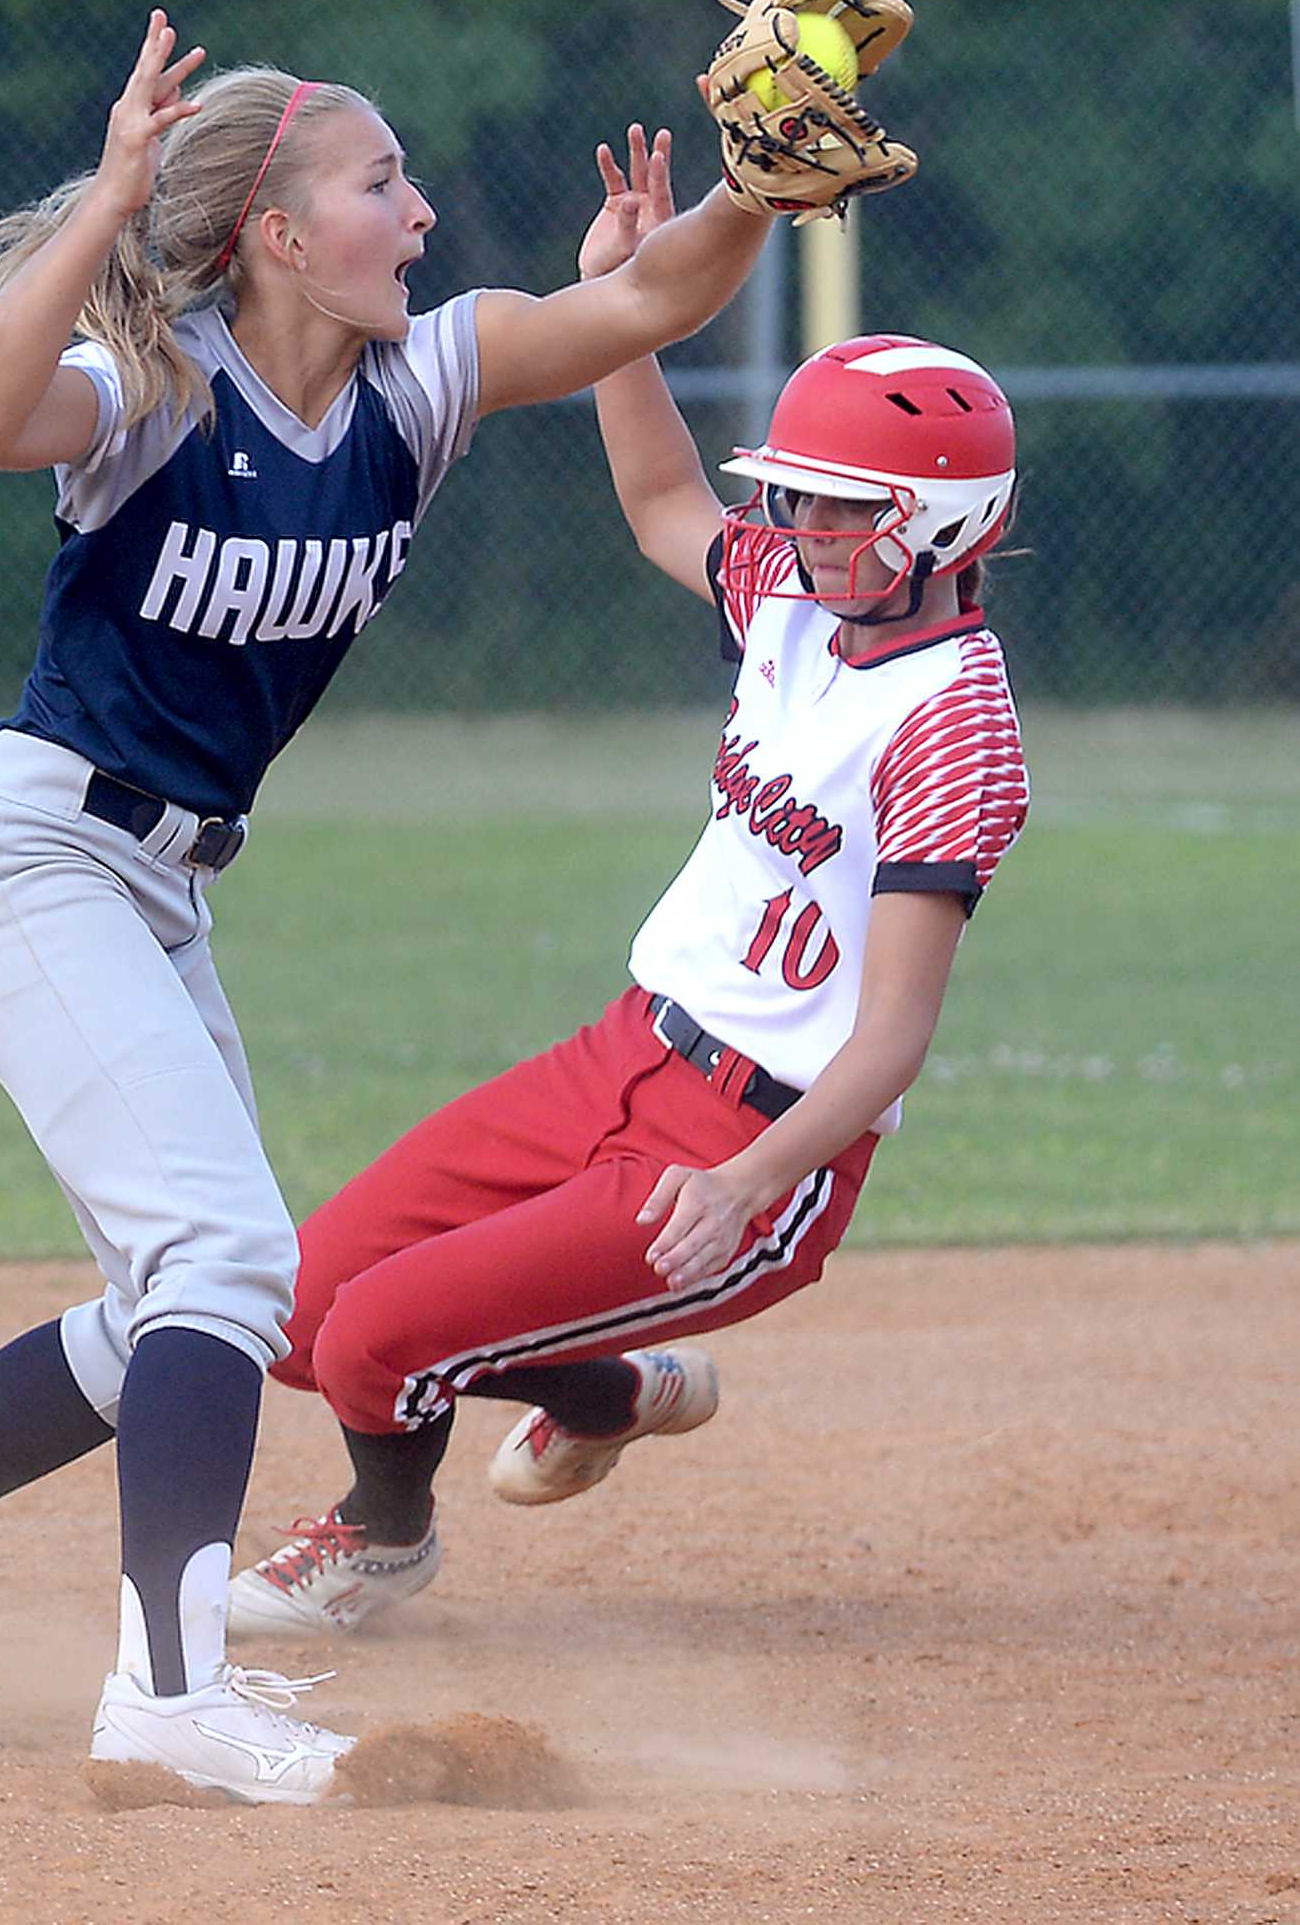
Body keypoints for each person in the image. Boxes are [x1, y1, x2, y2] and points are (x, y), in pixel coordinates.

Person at [0, 16, 780, 1804]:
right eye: (382, 185)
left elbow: (645, 305)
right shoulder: (161, 383)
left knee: (183, 1307)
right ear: (280, 231)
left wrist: (767, 182)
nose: (423, 215)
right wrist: (113, 195)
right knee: (222, 1265)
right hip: (32, 861)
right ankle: (169, 1693)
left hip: (158, 888)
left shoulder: (418, 386)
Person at [224, 124, 1028, 1645]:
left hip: (754, 1139)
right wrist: (614, 314)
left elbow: (891, 1035)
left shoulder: (953, 723)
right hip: (626, 1050)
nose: (801, 527)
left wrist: (742, 1186)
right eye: (795, 493)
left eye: (844, 504)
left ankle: (377, 1541)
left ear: (941, 524)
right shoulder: (798, 605)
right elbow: (668, 506)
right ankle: (613, 1389)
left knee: (381, 1340)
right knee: (297, 1311)